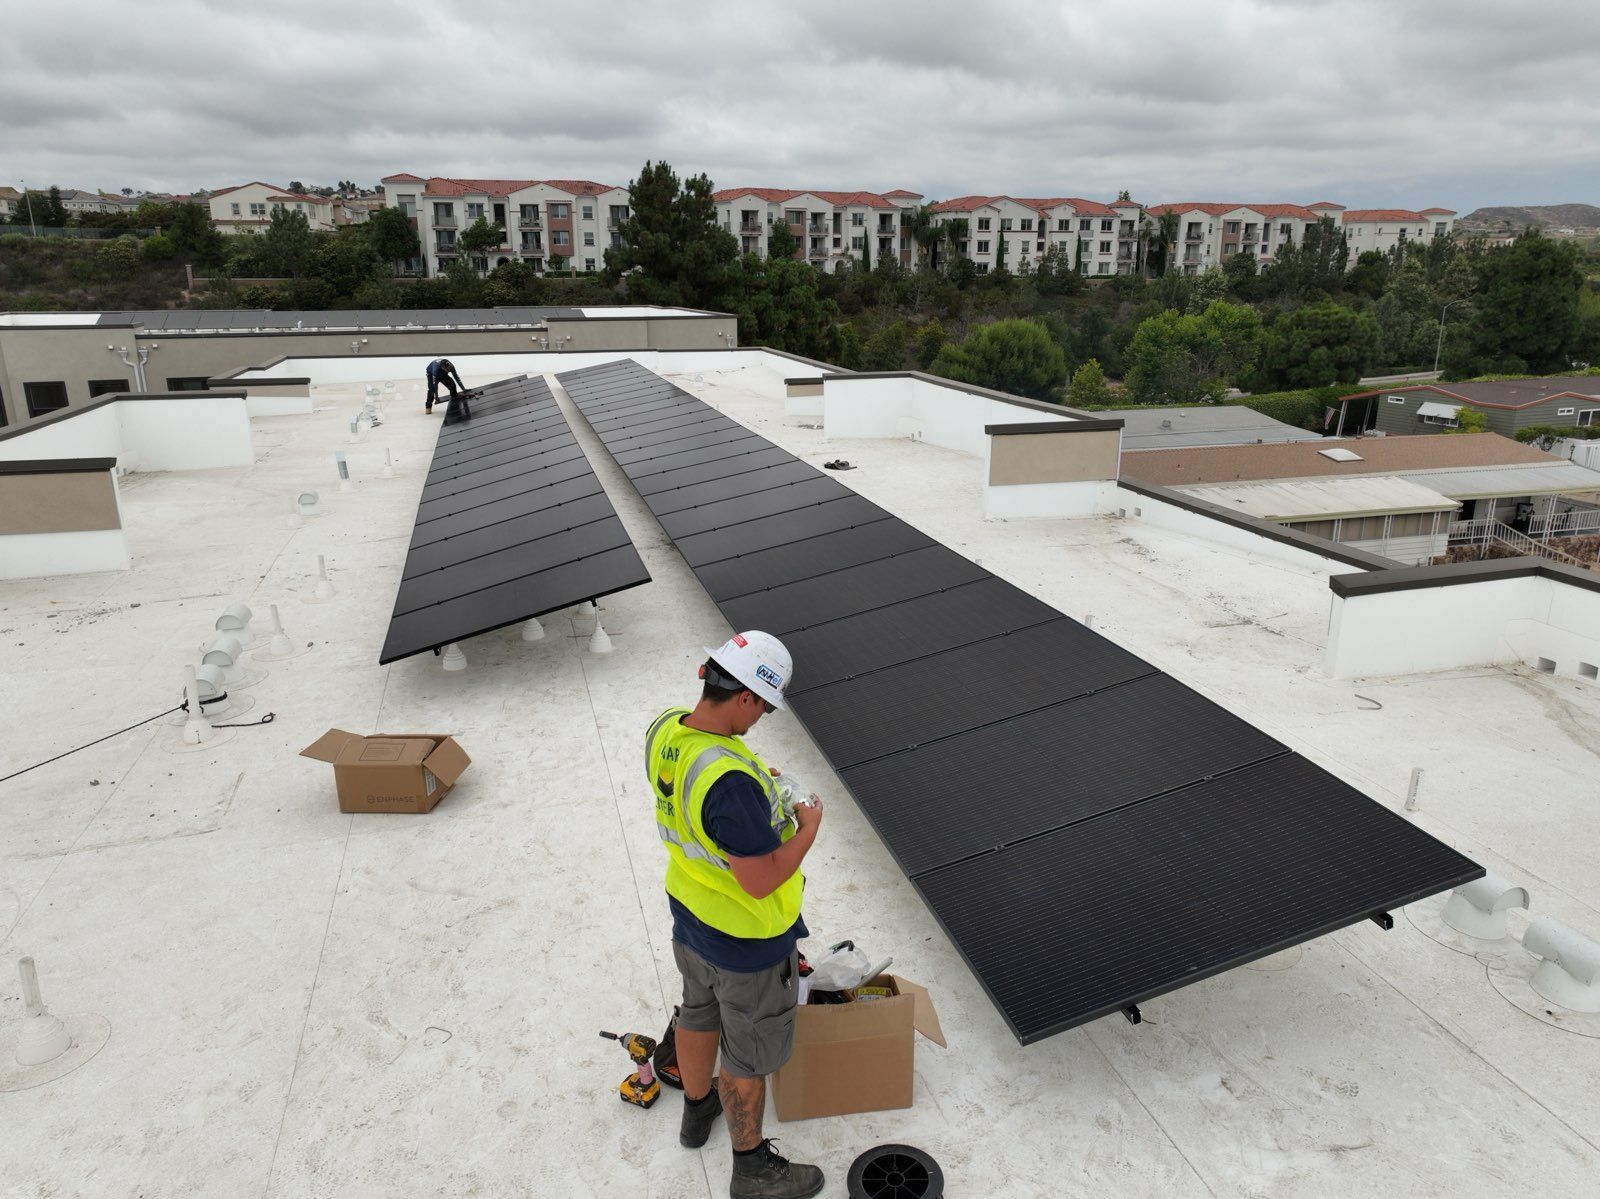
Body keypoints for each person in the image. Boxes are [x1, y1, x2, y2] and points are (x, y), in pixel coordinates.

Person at [646, 631, 825, 1199]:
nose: (763, 718)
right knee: (746, 1055)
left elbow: (701, 786)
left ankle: (697, 1114)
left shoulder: (667, 728)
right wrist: (807, 829)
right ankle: (752, 1169)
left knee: (697, 1014)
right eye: (765, 707)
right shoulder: (730, 785)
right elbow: (761, 877)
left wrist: (754, 781)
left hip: (690, 914)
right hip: (745, 942)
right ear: (745, 696)